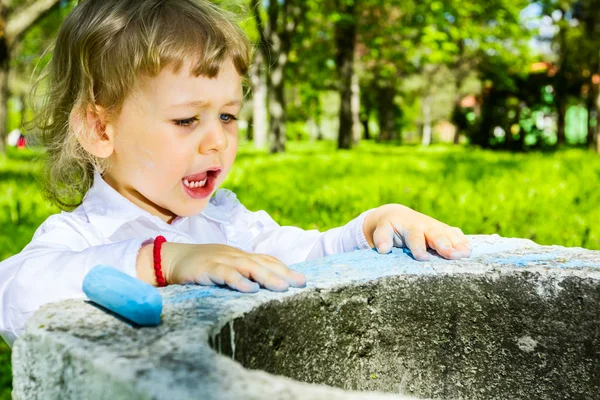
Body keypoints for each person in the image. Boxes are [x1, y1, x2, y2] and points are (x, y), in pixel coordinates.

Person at [0, 0, 471, 347]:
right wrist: (163, 261)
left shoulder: (228, 222)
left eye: (227, 116)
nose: (217, 141)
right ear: (101, 128)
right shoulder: (82, 235)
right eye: (187, 120)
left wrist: (373, 224)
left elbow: (305, 255)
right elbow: (16, 293)